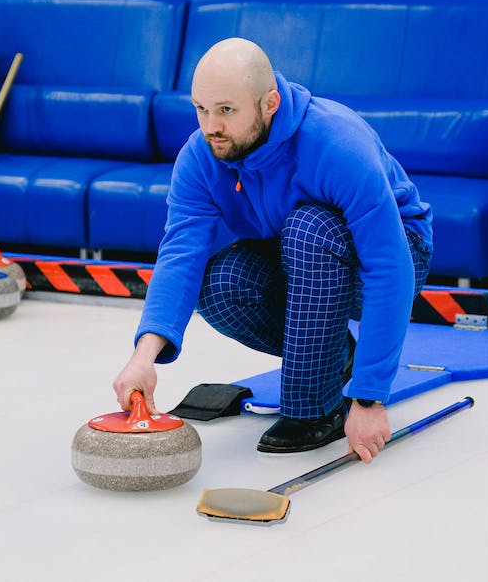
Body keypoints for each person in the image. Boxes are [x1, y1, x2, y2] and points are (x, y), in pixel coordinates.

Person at [112, 38, 432, 463]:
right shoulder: (201, 156)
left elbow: (389, 266)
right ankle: (335, 356)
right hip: (296, 253)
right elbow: (180, 255)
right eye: (201, 109)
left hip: (396, 251)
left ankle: (315, 408)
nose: (211, 126)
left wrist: (369, 399)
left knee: (310, 228)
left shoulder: (336, 143)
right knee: (220, 283)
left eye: (226, 110)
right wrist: (143, 356)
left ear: (270, 103)